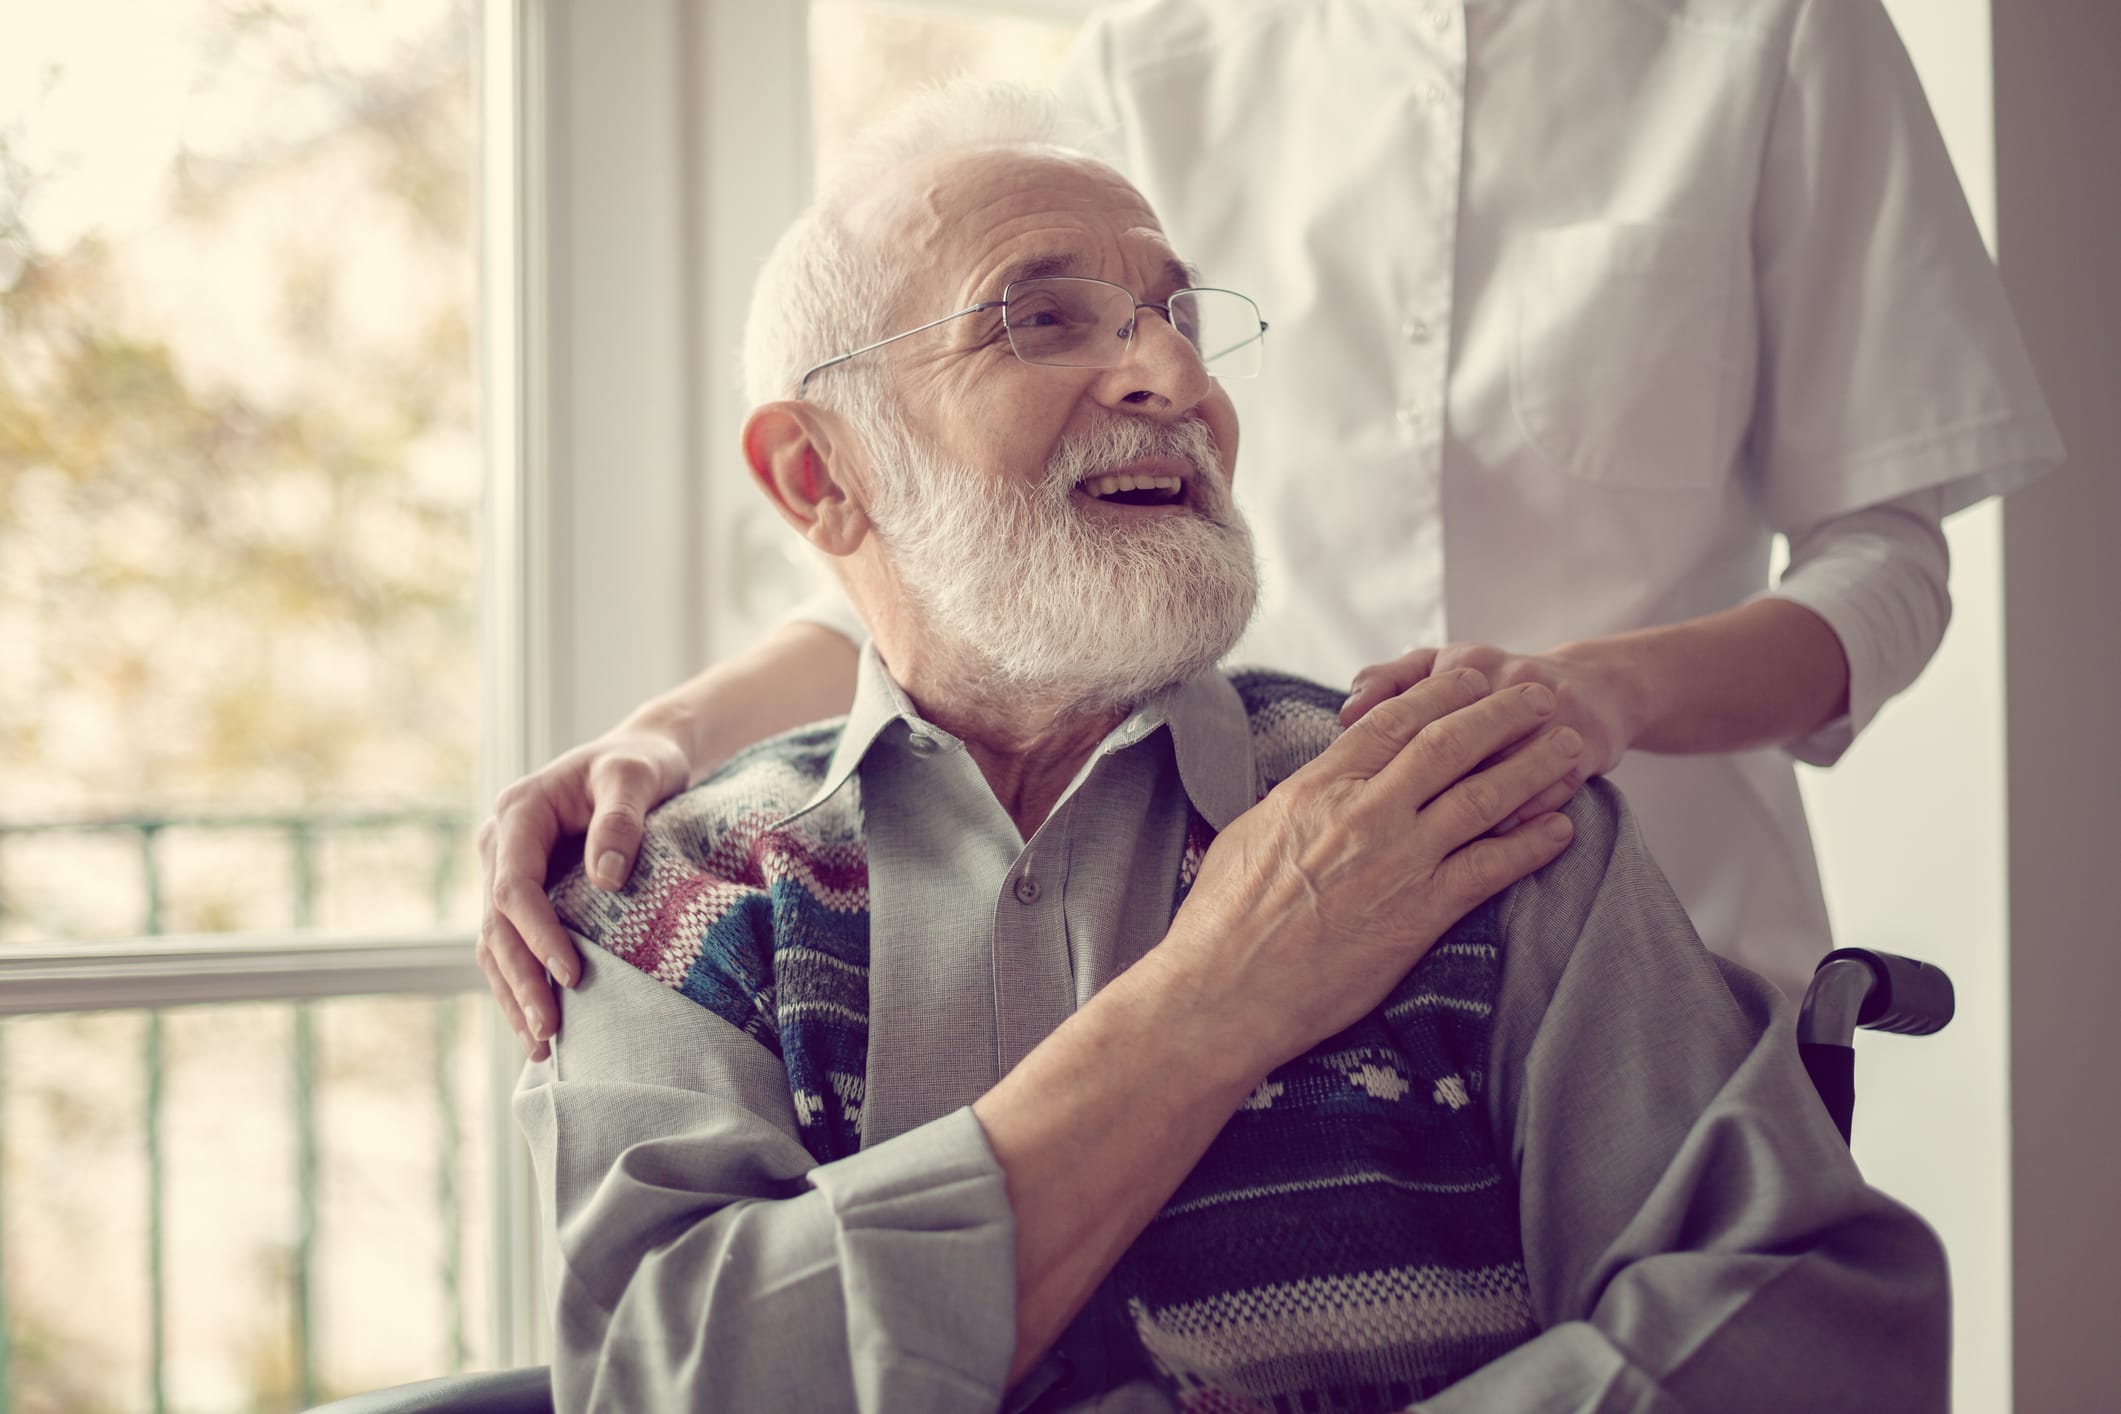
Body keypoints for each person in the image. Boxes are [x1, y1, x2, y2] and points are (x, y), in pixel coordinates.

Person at [514, 87, 1947, 1413]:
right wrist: (1220, 994)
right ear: (822, 473)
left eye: (1176, 315)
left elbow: (1807, 1332)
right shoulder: (666, 900)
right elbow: (680, 1385)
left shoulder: (1458, 812)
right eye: (1042, 318)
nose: (1169, 373)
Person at [477, 0, 2061, 1057]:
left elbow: (1885, 566)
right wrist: (659, 736)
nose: (1163, 366)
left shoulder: (1767, 29)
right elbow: (959, 556)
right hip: (1237, 965)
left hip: (1661, 954)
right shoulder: (1148, 60)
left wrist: (1599, 697)